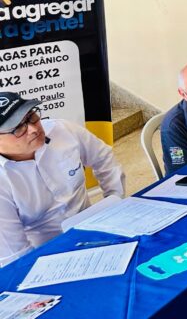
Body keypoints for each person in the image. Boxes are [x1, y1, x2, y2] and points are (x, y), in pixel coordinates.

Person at [0, 93, 125, 267]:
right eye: (18, 128)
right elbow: (17, 256)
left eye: (31, 117)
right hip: (48, 254)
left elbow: (103, 158)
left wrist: (115, 201)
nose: (34, 129)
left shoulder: (62, 130)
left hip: (96, 227)